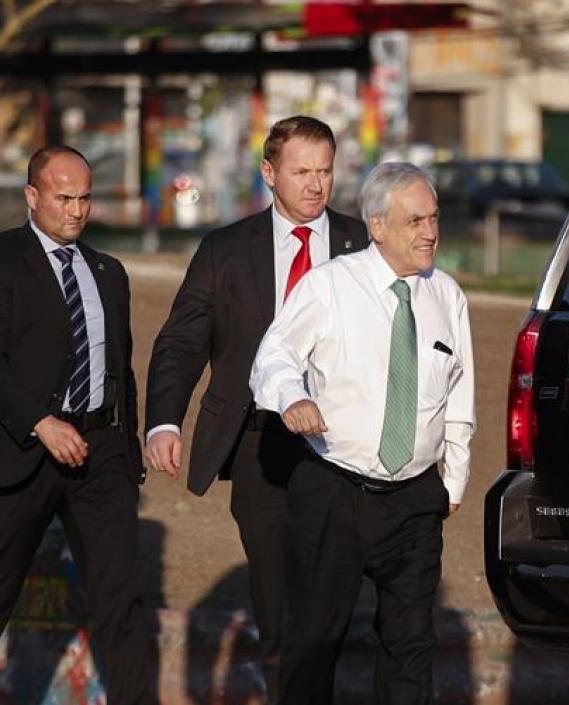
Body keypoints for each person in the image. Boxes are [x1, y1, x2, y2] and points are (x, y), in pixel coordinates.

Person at [143, 115, 367, 703]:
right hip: (257, 444)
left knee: (327, 598)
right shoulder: (224, 249)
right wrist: (165, 420)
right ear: (269, 173)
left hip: (340, 445)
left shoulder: (363, 244)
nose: (316, 185)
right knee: (277, 603)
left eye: (325, 171)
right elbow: (182, 341)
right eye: (301, 171)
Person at [251, 162, 475, 705]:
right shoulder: (330, 286)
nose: (429, 232)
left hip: (416, 499)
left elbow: (461, 393)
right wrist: (293, 397)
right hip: (335, 491)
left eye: (434, 219)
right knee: (315, 641)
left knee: (411, 645)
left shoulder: (446, 296)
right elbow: (272, 354)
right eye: (414, 220)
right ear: (376, 225)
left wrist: (454, 482)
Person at [0, 146, 150, 705]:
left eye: (85, 198)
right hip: (24, 452)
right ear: (32, 196)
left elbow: (119, 368)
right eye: (64, 198)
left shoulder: (109, 272)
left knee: (120, 598)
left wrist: (127, 455)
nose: (77, 210)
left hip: (102, 454)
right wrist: (41, 423)